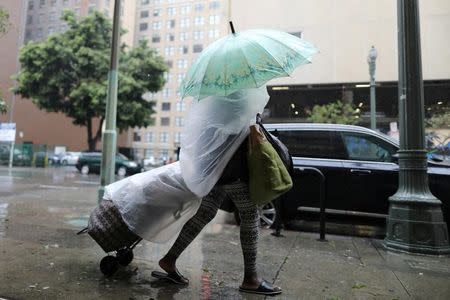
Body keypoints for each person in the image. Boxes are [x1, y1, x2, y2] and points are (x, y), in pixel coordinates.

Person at [153, 136, 283, 296]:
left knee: (206, 211)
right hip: (231, 159)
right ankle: (251, 279)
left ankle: (169, 260)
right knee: (250, 213)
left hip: (214, 158)